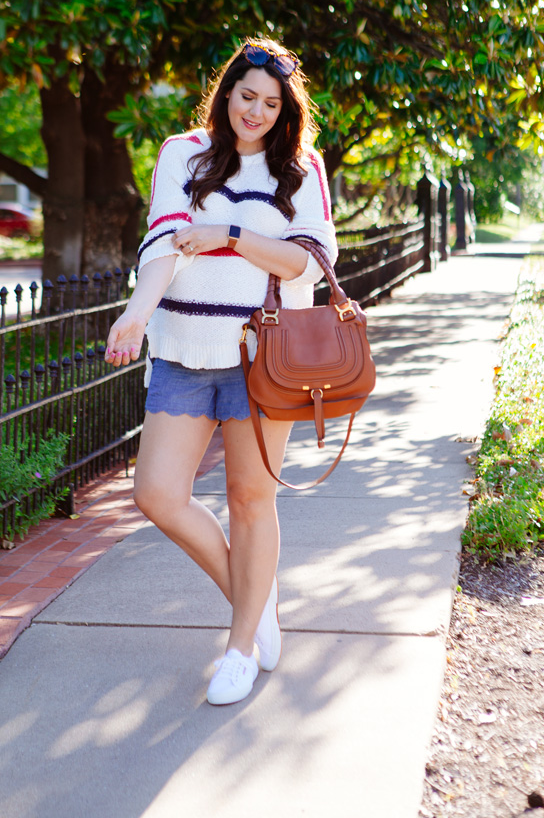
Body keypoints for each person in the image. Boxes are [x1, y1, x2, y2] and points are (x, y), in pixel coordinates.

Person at [105, 39, 338, 705]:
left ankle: (239, 649)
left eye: (270, 103)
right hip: (183, 346)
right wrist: (135, 312)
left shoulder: (302, 169)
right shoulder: (185, 153)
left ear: (284, 109)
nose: (256, 112)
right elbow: (162, 244)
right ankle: (253, 599)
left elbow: (306, 263)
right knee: (157, 493)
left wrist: (231, 235)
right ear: (226, 92)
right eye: (246, 97)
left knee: (249, 500)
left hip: (265, 356)